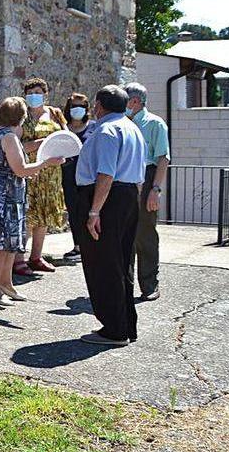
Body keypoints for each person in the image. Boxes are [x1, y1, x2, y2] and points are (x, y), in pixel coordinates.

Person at [0, 97, 63, 305]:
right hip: (3, 195)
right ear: (21, 117)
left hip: (5, 191)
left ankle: (6, 284)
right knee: (1, 244)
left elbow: (10, 166)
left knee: (11, 242)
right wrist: (46, 163)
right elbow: (19, 169)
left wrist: (26, 172)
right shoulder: (9, 137)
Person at [75, 85, 147, 345]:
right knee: (122, 262)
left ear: (99, 105)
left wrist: (95, 210)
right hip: (127, 197)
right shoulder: (132, 128)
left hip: (107, 198)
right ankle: (126, 324)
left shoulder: (107, 130)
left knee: (104, 263)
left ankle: (114, 329)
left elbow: (106, 173)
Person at [15, 77, 68, 276]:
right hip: (29, 170)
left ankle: (36, 257)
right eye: (29, 93)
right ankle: (18, 258)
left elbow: (66, 137)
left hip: (52, 173)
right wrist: (39, 144)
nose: (33, 96)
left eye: (37, 93)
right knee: (28, 216)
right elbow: (15, 145)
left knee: (44, 215)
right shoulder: (20, 115)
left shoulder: (55, 113)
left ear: (45, 95)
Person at [124, 82, 169, 301]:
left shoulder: (155, 124)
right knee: (125, 235)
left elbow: (163, 158)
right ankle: (125, 284)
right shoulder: (122, 123)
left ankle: (150, 284)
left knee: (146, 235)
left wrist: (155, 189)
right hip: (125, 179)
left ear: (134, 101)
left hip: (146, 176)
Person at [59, 92, 99, 261]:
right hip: (68, 176)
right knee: (73, 211)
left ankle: (92, 245)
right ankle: (78, 246)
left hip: (89, 178)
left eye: (81, 107)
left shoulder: (94, 127)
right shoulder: (63, 128)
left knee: (89, 211)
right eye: (74, 106)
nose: (77, 110)